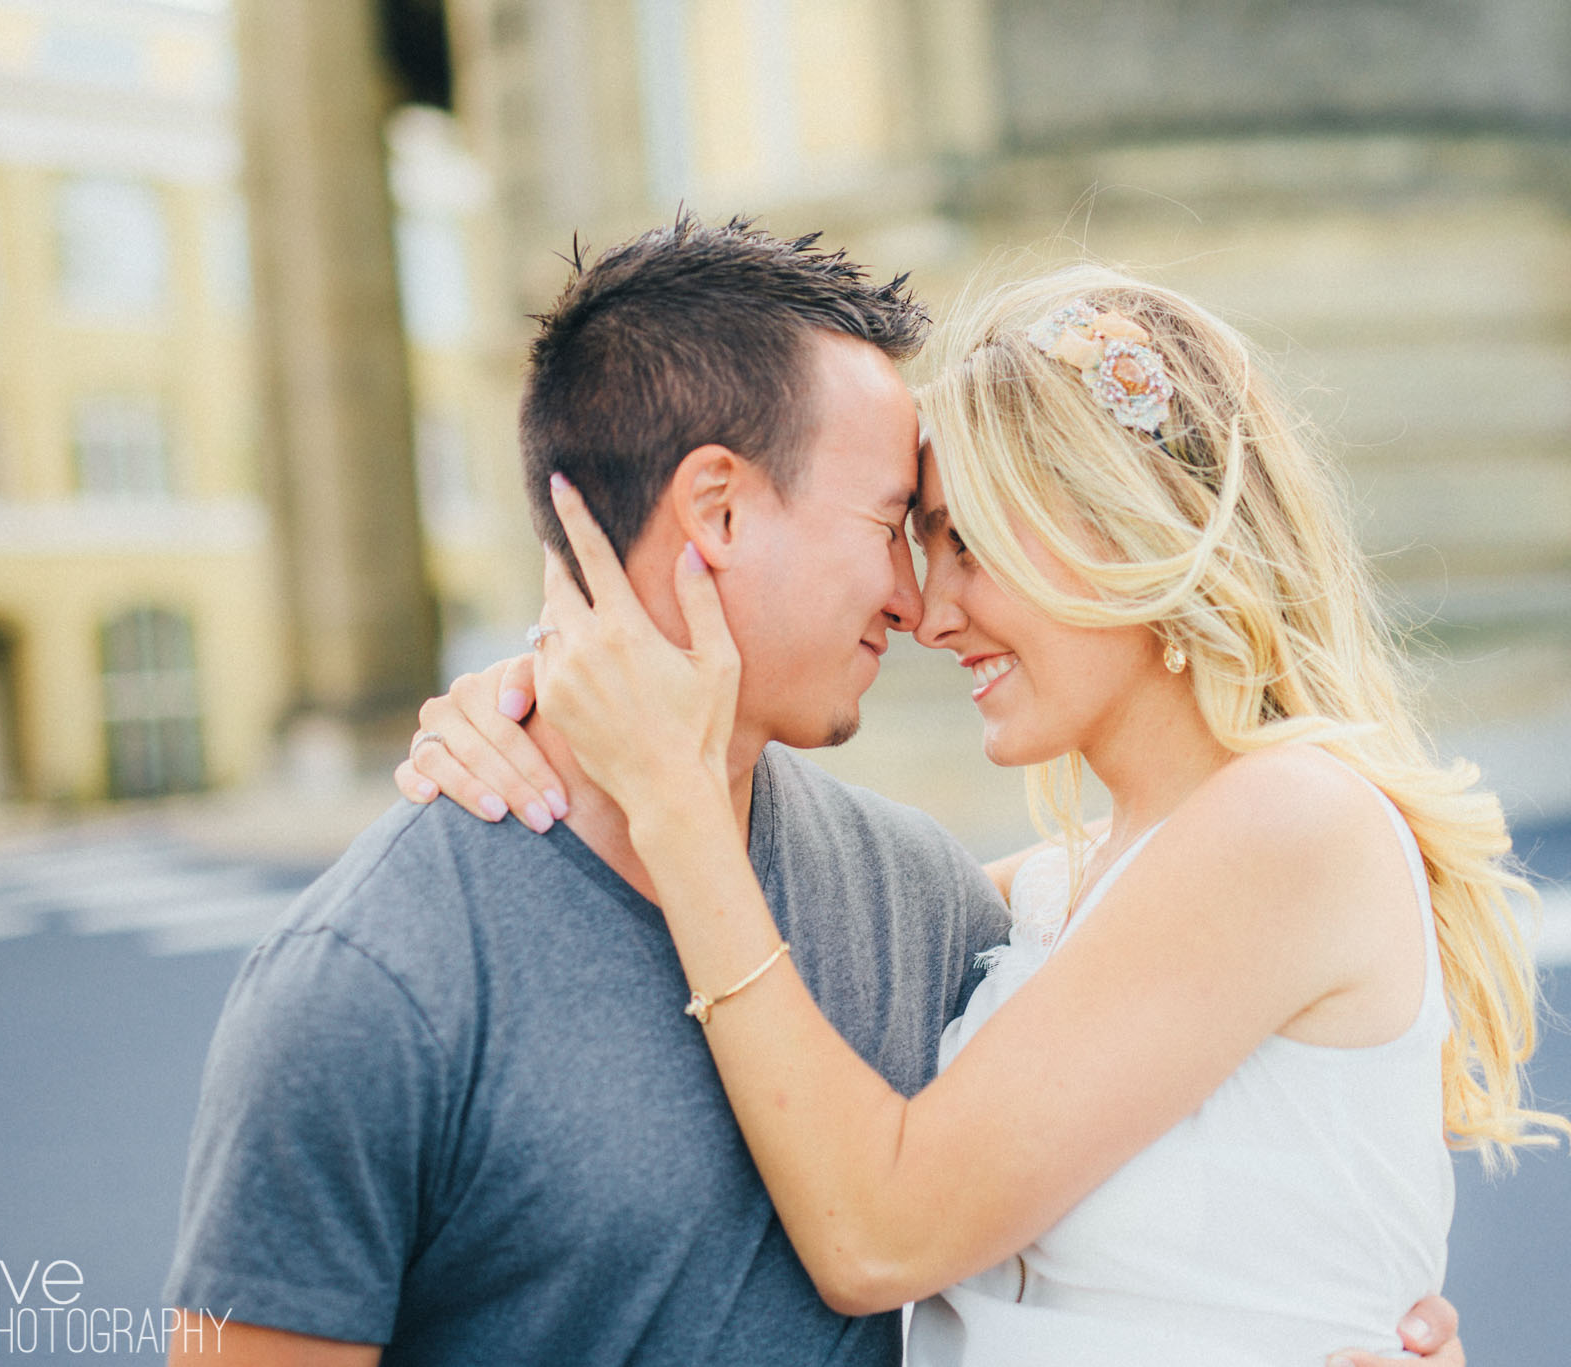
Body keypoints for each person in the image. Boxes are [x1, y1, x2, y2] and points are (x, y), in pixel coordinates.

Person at [164, 216, 1459, 1367]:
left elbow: (884, 1233)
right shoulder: (366, 983)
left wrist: (673, 802)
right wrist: (523, 708)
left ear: (1124, 534)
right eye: (902, 524)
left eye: (960, 538)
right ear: (716, 512)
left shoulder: (963, 892)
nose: (923, 602)